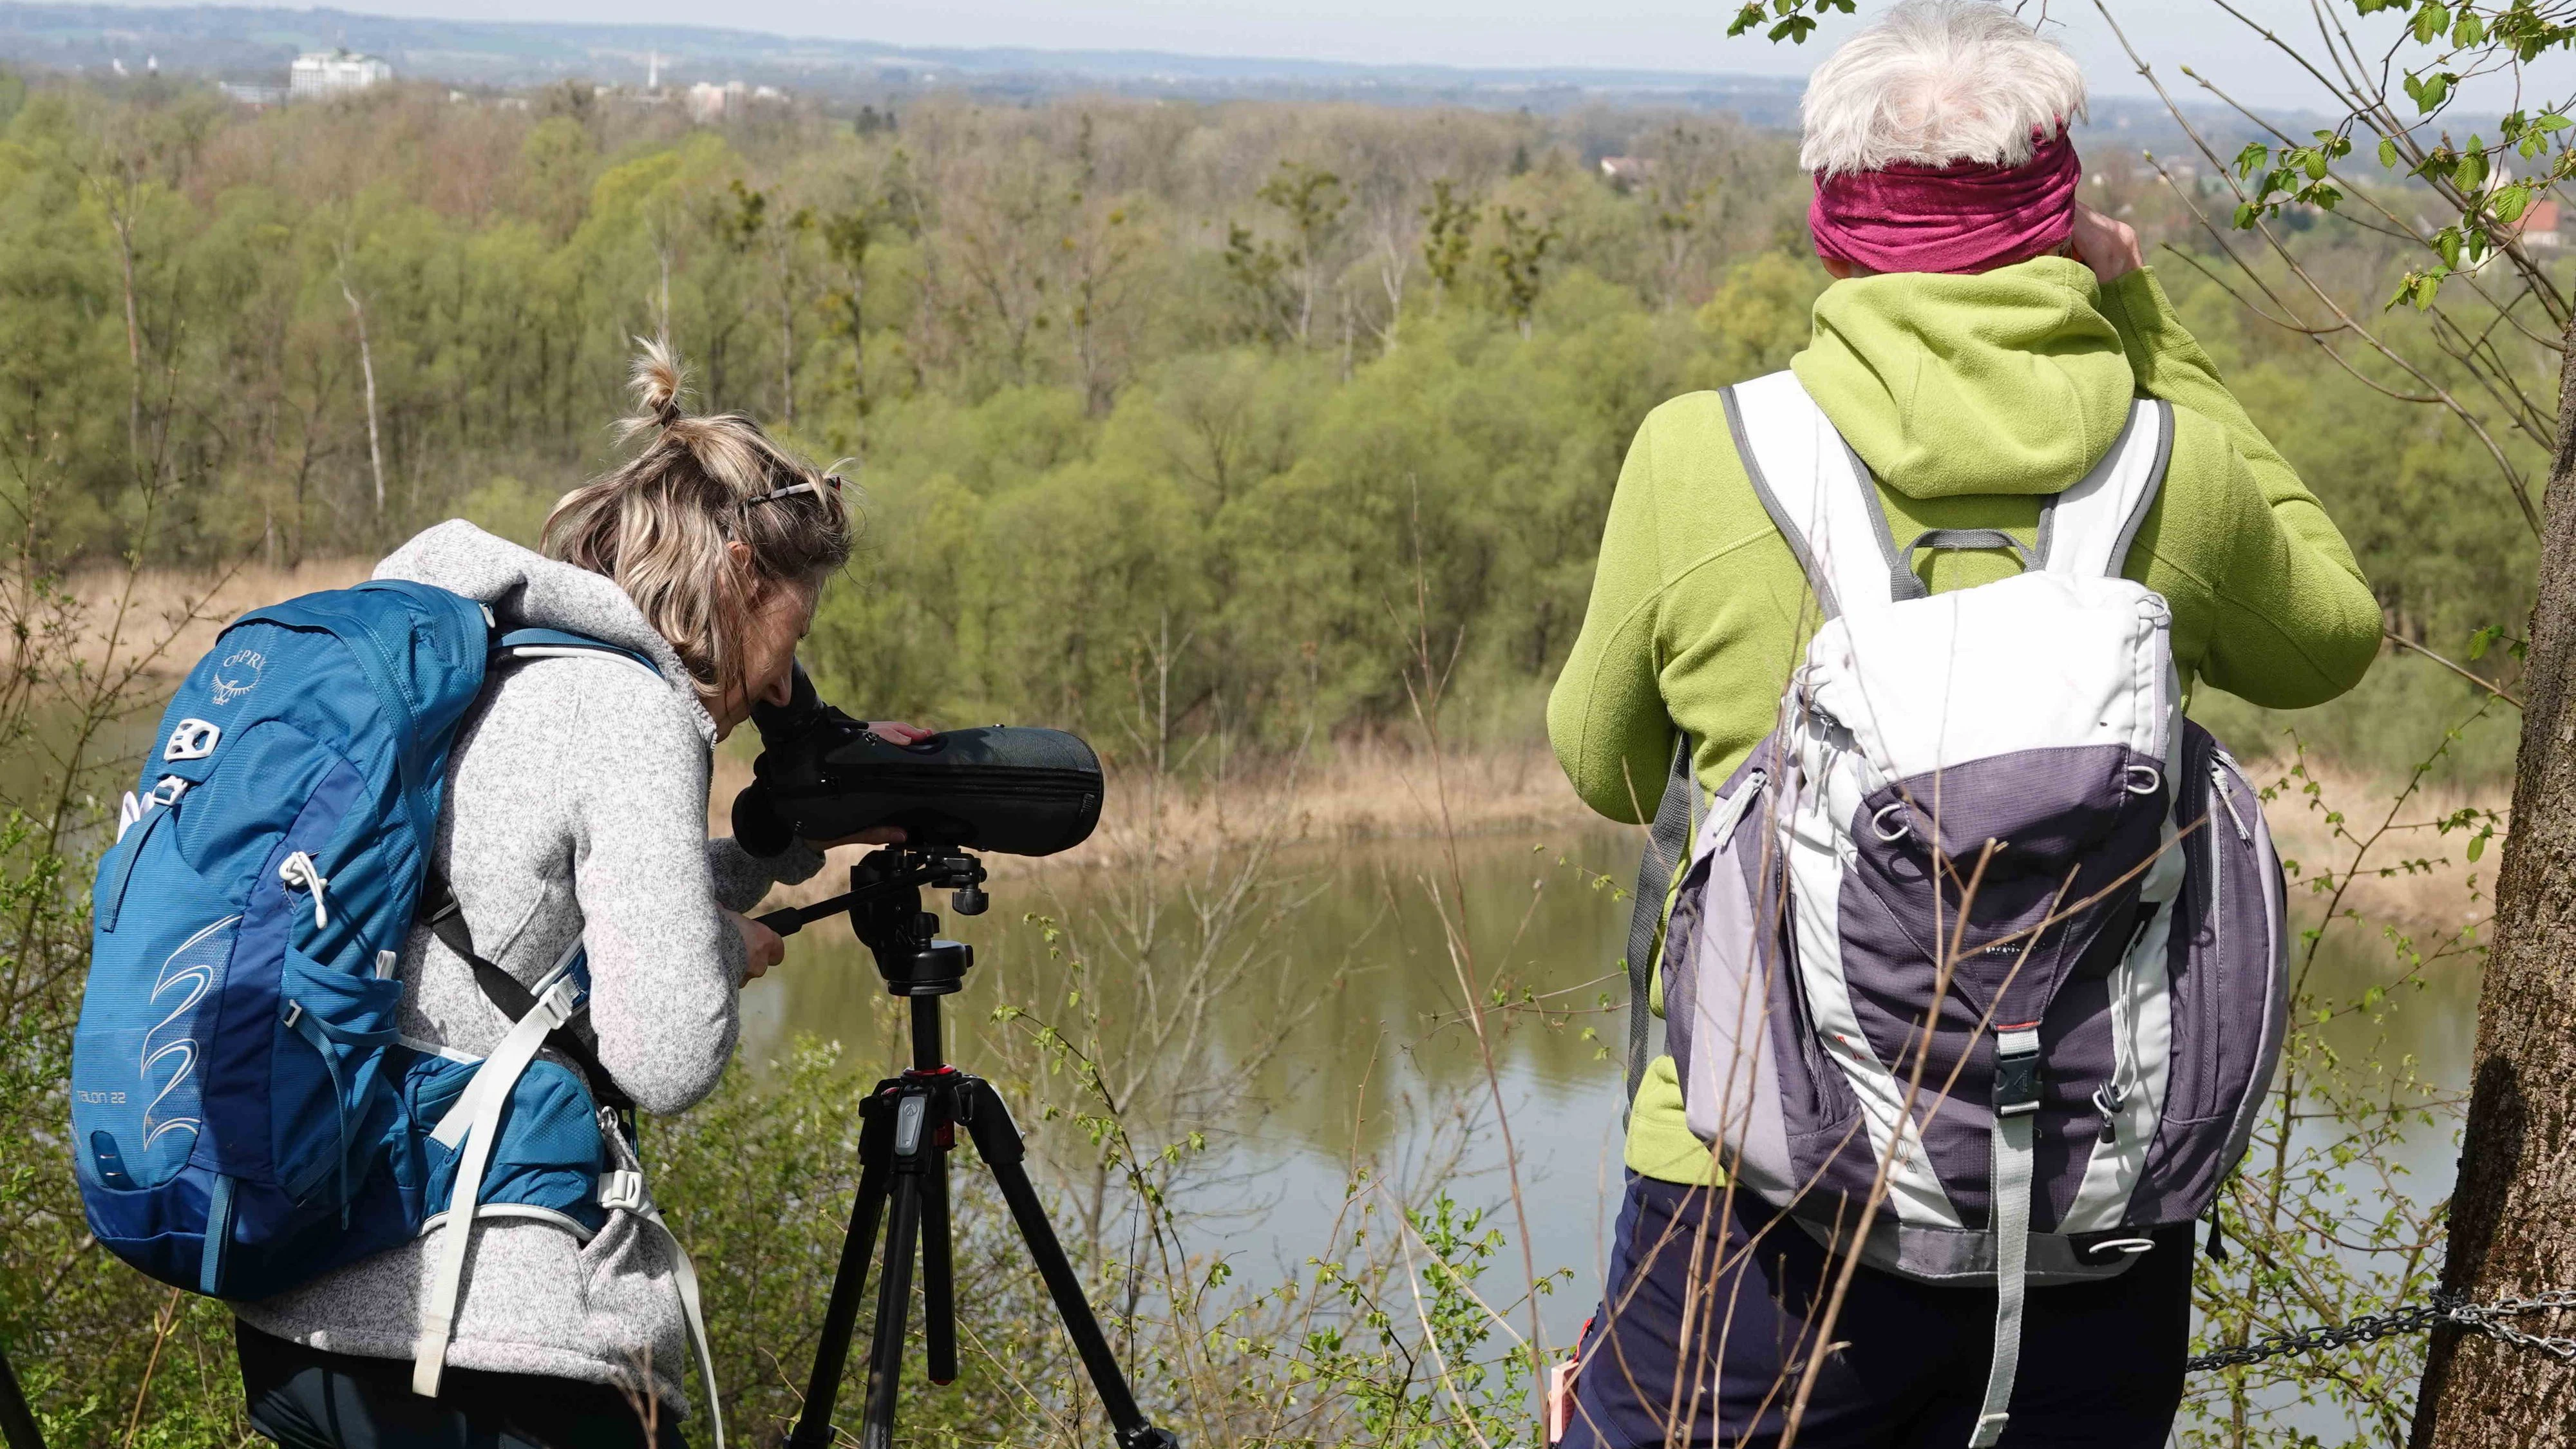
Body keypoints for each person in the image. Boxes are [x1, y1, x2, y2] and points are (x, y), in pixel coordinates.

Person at [1545, 3, 2382, 1444]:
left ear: (1832, 224)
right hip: (2082, 1205)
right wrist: (2150, 334)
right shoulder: (2163, 468)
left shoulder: (1704, 453)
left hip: (1746, 1191)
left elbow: (1607, 765)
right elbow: (2329, 639)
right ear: (2056, 221)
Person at [231, 343, 925, 1447]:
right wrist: (717, 951)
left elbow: (529, 937)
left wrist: (765, 835)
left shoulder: (488, 670)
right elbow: (667, 1055)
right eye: (794, 627)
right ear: (743, 577)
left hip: (299, 1321)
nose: (785, 679)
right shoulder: (628, 710)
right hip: (483, 1345)